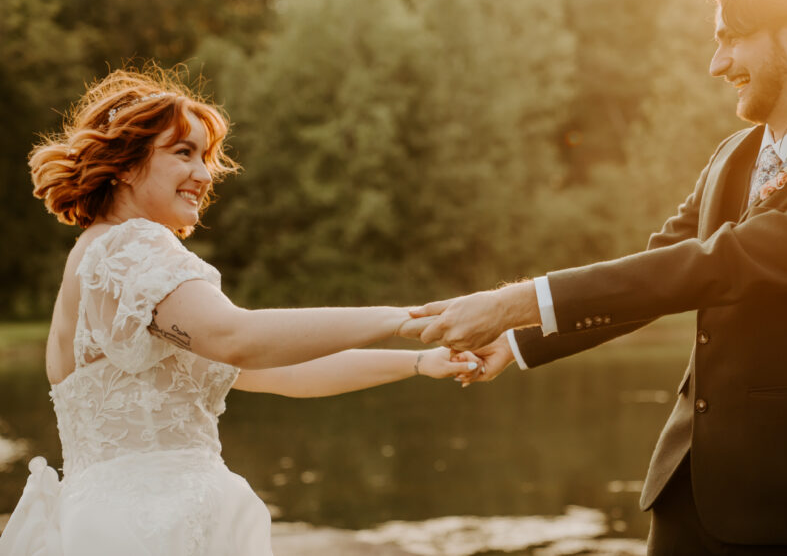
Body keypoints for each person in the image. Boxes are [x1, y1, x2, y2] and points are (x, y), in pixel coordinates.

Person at [402, 0, 787, 555]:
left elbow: (711, 267)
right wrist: (516, 340)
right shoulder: (734, 154)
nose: (716, 62)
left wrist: (510, 302)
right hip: (687, 497)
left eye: (732, 38)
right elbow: (656, 268)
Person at [0, 66, 478, 556]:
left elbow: (282, 370)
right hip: (150, 527)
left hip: (114, 520)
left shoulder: (105, 261)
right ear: (124, 164)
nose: (205, 175)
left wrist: (419, 360)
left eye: (205, 157)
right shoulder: (129, 246)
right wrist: (401, 319)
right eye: (183, 152)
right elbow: (237, 336)